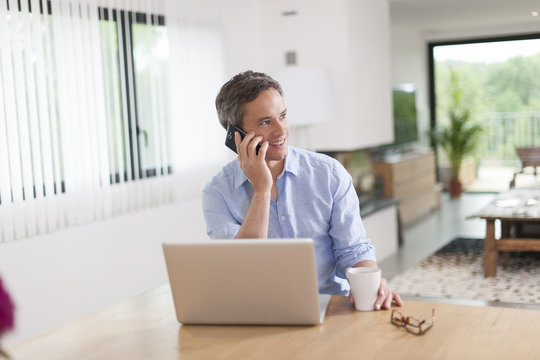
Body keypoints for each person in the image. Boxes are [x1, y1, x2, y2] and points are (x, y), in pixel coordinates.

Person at [202, 70, 402, 310]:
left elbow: (353, 251)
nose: (281, 130)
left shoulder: (329, 174)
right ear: (234, 133)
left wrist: (372, 278)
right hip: (260, 314)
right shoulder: (218, 193)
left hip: (329, 311)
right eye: (265, 122)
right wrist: (262, 191)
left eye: (283, 116)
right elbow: (242, 268)